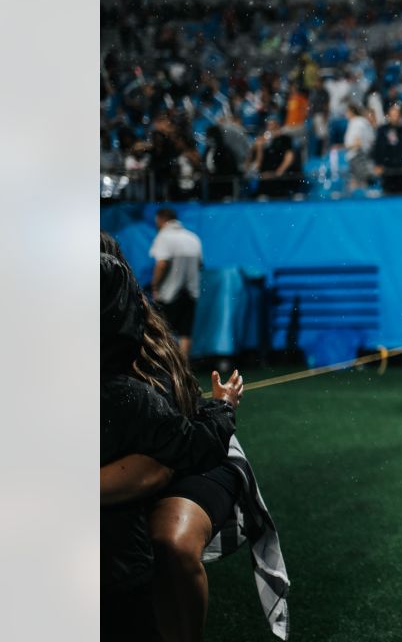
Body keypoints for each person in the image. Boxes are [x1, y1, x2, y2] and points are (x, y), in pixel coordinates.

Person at [103, 234, 290, 642]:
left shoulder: (142, 342)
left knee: (170, 541)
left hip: (192, 458)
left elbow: (160, 465)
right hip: (144, 460)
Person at [100, 252, 236, 642]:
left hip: (173, 475)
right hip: (118, 558)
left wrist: (220, 410)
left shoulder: (143, 378)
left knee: (170, 546)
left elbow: (169, 459)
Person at [150, 208, 202, 359]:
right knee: (186, 332)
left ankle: (166, 366)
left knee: (163, 331)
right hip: (190, 292)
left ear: (161, 219)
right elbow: (199, 265)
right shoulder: (193, 238)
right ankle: (183, 369)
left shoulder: (164, 237)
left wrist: (155, 285)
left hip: (168, 294)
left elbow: (162, 264)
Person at [372, 102, 402, 195]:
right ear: (388, 115)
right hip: (387, 171)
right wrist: (377, 164)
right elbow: (378, 148)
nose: (395, 117)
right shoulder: (382, 130)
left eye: (397, 114)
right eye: (393, 114)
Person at [343, 102, 376, 191]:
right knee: (356, 181)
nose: (346, 114)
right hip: (356, 156)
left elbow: (360, 142)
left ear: (351, 112)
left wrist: (350, 146)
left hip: (358, 156)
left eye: (347, 112)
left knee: (360, 182)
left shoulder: (358, 122)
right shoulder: (358, 122)